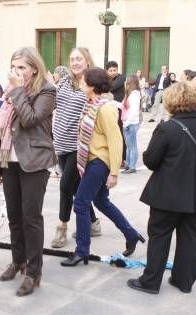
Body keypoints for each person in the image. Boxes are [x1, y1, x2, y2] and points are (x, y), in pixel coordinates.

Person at [128, 81, 196, 294]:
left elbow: (151, 161)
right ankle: (184, 281)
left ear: (172, 102)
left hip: (167, 194)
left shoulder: (167, 128)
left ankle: (150, 281)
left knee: (159, 236)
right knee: (191, 238)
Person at [61, 68, 145, 266]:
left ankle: (82, 251)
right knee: (101, 202)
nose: (80, 84)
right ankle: (131, 234)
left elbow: (116, 141)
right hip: (90, 161)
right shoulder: (91, 104)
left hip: (99, 163)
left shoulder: (105, 108)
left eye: (83, 81)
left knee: (81, 203)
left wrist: (114, 173)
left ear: (92, 85)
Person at [0, 47, 56, 296]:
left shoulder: (47, 91)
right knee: (14, 215)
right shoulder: (9, 92)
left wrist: (17, 89)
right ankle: (17, 260)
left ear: (34, 69)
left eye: (22, 67)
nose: (17, 72)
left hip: (34, 161)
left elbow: (30, 120)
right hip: (11, 161)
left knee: (31, 218)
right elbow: (4, 129)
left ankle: (33, 271)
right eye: (14, 67)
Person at [51, 47, 102, 248]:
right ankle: (94, 223)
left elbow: (102, 105)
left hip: (79, 145)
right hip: (61, 143)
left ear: (87, 61)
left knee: (65, 186)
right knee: (74, 188)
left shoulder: (92, 84)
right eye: (72, 59)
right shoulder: (63, 82)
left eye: (79, 59)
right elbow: (53, 104)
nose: (75, 62)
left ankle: (61, 229)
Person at [106, 61, 127, 167]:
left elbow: (111, 87)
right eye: (110, 70)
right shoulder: (106, 79)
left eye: (115, 70)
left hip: (119, 109)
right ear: (107, 71)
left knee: (119, 134)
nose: (113, 72)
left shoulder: (121, 78)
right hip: (109, 109)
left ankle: (122, 158)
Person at [121, 74, 142, 174]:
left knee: (132, 146)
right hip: (127, 123)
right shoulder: (130, 94)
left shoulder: (134, 95)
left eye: (127, 81)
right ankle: (128, 164)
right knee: (129, 146)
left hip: (131, 124)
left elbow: (134, 112)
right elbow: (122, 106)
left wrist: (126, 123)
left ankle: (132, 166)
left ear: (130, 82)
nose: (125, 83)